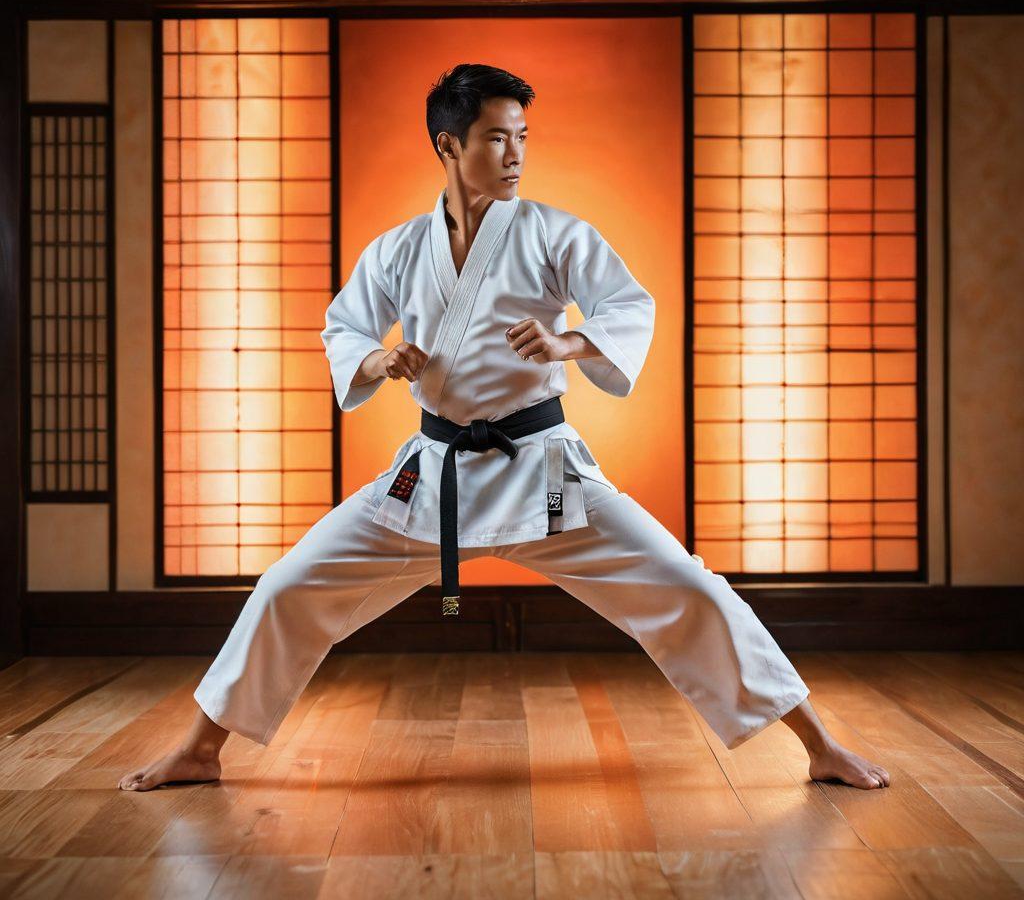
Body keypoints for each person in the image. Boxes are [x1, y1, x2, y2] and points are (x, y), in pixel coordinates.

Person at [119, 64, 889, 792]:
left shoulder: (554, 234)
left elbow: (629, 307)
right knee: (290, 585)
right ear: (448, 145)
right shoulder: (397, 250)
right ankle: (199, 750)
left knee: (688, 587)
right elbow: (344, 328)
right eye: (496, 137)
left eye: (522, 136)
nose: (516, 153)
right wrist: (381, 361)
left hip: (545, 472)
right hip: (435, 474)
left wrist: (570, 343)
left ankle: (820, 746)